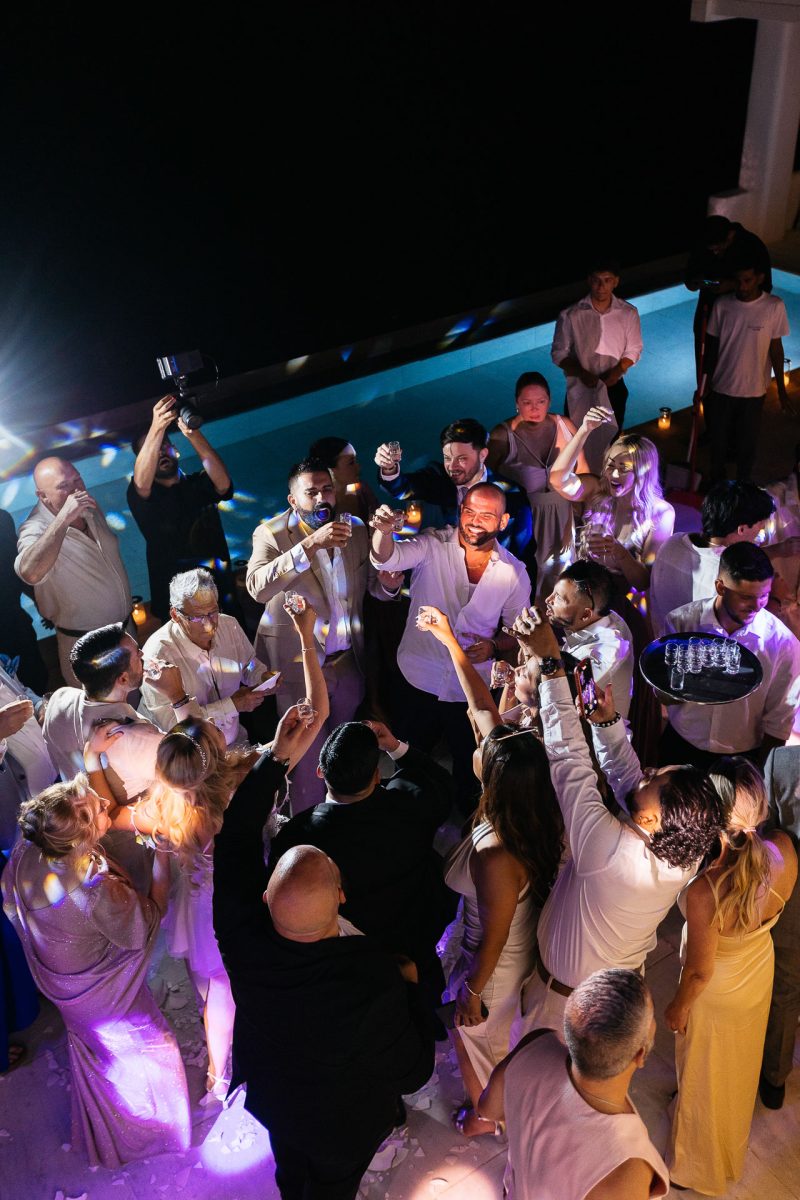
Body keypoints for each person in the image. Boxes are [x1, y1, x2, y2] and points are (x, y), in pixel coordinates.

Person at [94, 597, 328, 1101]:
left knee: (211, 991)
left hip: (201, 912)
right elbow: (319, 711)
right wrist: (306, 636)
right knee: (247, 984)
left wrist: (93, 762)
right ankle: (260, 1053)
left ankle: (216, 1074)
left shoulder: (164, 804)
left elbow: (110, 814)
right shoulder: (245, 782)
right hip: (249, 899)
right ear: (217, 751)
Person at [214, 744, 435, 1198]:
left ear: (265, 900)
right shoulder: (374, 981)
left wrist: (275, 760)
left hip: (277, 1098)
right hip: (340, 1126)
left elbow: (234, 837)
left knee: (290, 1169)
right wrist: (411, 989)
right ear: (340, 897)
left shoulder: (241, 938)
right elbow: (413, 1072)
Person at [506, 606, 725, 1044]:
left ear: (648, 820)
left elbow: (567, 755)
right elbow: (630, 784)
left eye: (655, 777)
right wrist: (607, 724)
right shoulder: (688, 847)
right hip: (619, 988)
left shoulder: (607, 850)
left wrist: (551, 665)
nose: (646, 772)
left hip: (566, 1007)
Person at [418, 605, 563, 1137]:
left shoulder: (498, 852)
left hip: (496, 959)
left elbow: (496, 936)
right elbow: (482, 706)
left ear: (495, 779)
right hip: (495, 938)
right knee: (480, 1032)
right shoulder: (528, 801)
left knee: (474, 1034)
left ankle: (486, 1115)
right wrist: (449, 640)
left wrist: (474, 991)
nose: (480, 743)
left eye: (486, 750)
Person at [1, 776, 191, 1167]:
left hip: (60, 981)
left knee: (101, 1049)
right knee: (157, 1049)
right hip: (99, 991)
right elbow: (148, 920)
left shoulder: (27, 848)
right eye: (100, 810)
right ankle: (148, 1135)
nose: (106, 803)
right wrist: (162, 853)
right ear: (80, 840)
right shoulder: (93, 890)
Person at [666, 757, 797, 1194]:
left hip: (717, 993)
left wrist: (677, 1007)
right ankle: (727, 1147)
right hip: (758, 974)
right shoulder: (785, 851)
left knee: (704, 1077)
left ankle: (694, 1170)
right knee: (736, 1072)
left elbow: (700, 972)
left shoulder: (707, 889)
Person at [268, 718, 456, 1014]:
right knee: (422, 1009)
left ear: (320, 772)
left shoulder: (299, 839)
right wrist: (395, 746)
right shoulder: (412, 803)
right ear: (377, 775)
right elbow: (442, 783)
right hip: (416, 937)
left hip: (349, 959)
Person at [370, 483, 530, 814]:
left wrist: (494, 646)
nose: (474, 521)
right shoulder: (432, 544)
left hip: (469, 689)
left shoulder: (514, 572)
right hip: (417, 677)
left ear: (503, 522)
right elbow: (387, 556)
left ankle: (468, 834)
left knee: (470, 771)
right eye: (469, 511)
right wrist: (383, 532)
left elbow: (519, 632)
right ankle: (408, 820)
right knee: (408, 759)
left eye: (487, 515)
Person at [246, 458, 382, 811]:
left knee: (345, 753)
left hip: (347, 661)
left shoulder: (355, 529)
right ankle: (307, 835)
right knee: (305, 764)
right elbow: (257, 588)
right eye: (311, 492)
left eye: (326, 490)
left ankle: (346, 818)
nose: (321, 498)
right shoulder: (271, 534)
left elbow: (372, 589)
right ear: (293, 500)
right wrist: (310, 545)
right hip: (298, 668)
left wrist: (392, 585)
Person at [479, 969, 669, 1200]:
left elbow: (487, 1108)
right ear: (640, 1056)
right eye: (652, 1017)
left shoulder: (536, 1043)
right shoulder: (627, 1170)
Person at [660, 543, 800, 768]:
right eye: (746, 597)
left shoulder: (783, 644)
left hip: (741, 760)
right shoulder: (681, 622)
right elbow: (664, 694)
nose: (756, 606)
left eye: (763, 595)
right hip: (680, 745)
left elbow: (779, 722)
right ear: (720, 587)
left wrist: (763, 780)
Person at [375, 417, 536, 587]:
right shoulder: (437, 478)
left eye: (461, 458)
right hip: (440, 584)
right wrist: (389, 469)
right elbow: (401, 488)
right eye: (447, 458)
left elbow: (522, 550)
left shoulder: (511, 494)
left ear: (483, 455)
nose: (452, 466)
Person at [14, 457, 133, 686]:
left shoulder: (88, 507)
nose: (76, 489)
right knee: (104, 719)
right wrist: (64, 518)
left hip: (126, 635)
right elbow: (29, 573)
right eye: (64, 486)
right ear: (43, 496)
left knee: (140, 709)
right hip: (87, 649)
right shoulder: (34, 528)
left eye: (77, 479)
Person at [127, 394, 236, 621]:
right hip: (177, 603)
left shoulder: (199, 483)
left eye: (164, 446)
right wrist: (156, 428)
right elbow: (140, 482)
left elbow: (223, 484)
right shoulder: (142, 496)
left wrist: (192, 434)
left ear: (175, 450)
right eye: (152, 450)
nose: (159, 453)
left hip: (219, 591)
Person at [549, 409, 675, 597]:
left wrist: (620, 552)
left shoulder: (661, 513)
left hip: (623, 601)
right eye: (611, 465)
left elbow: (644, 582)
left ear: (643, 473)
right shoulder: (596, 489)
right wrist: (584, 430)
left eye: (624, 469)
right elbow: (557, 480)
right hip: (582, 592)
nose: (614, 475)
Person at [139, 568, 268, 747]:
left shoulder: (229, 625)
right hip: (190, 757)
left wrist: (262, 677)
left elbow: (248, 664)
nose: (209, 624)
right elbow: (172, 725)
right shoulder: (157, 656)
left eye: (213, 612)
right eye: (198, 617)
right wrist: (232, 705)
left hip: (234, 743)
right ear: (175, 615)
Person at [487, 373, 585, 599]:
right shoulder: (503, 436)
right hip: (529, 521)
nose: (534, 408)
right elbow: (488, 482)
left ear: (549, 401)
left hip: (563, 516)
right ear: (516, 403)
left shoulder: (565, 425)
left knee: (565, 577)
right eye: (527, 402)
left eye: (541, 402)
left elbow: (584, 472)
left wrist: (584, 512)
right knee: (530, 580)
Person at [649, 480, 776, 636]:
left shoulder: (673, 542)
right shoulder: (729, 574)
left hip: (660, 643)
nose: (760, 536)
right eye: (760, 527)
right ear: (742, 529)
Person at [703, 263, 791, 483]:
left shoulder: (773, 306)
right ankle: (717, 486)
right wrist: (703, 384)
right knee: (718, 443)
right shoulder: (723, 305)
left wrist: (781, 390)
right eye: (738, 280)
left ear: (759, 278)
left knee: (747, 444)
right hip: (722, 386)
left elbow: (776, 349)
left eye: (748, 280)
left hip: (754, 390)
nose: (742, 286)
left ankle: (742, 487)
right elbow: (712, 348)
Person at [551, 259, 643, 461]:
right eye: (596, 280)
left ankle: (608, 483)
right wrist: (582, 373)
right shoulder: (571, 315)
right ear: (589, 281)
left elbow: (634, 349)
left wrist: (618, 371)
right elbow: (559, 353)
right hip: (580, 386)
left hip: (613, 385)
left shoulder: (628, 313)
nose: (601, 287)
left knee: (612, 438)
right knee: (576, 439)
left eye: (607, 280)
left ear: (616, 282)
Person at [760, 744, 800, 1110]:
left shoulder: (784, 763)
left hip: (793, 902)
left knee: (785, 991)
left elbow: (767, 837)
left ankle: (773, 1081)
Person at [545, 560, 634, 720]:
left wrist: (538, 651)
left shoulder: (602, 655)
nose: (548, 600)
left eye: (558, 598)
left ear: (586, 615)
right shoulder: (604, 615)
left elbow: (558, 700)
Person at [685, 214, 772, 374]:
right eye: (712, 250)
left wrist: (731, 285)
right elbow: (689, 277)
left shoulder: (752, 246)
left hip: (740, 317)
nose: (716, 253)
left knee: (735, 367)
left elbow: (765, 286)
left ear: (730, 235)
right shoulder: (703, 245)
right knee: (705, 366)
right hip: (708, 314)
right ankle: (705, 394)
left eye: (719, 249)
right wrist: (694, 282)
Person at [0, 508, 48, 694]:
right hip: (14, 623)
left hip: (15, 624)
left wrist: (40, 602)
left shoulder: (2, 519)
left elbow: (17, 567)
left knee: (35, 681)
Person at [308, 435, 379, 524]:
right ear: (330, 470)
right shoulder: (319, 508)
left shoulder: (361, 490)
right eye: (351, 462)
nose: (358, 467)